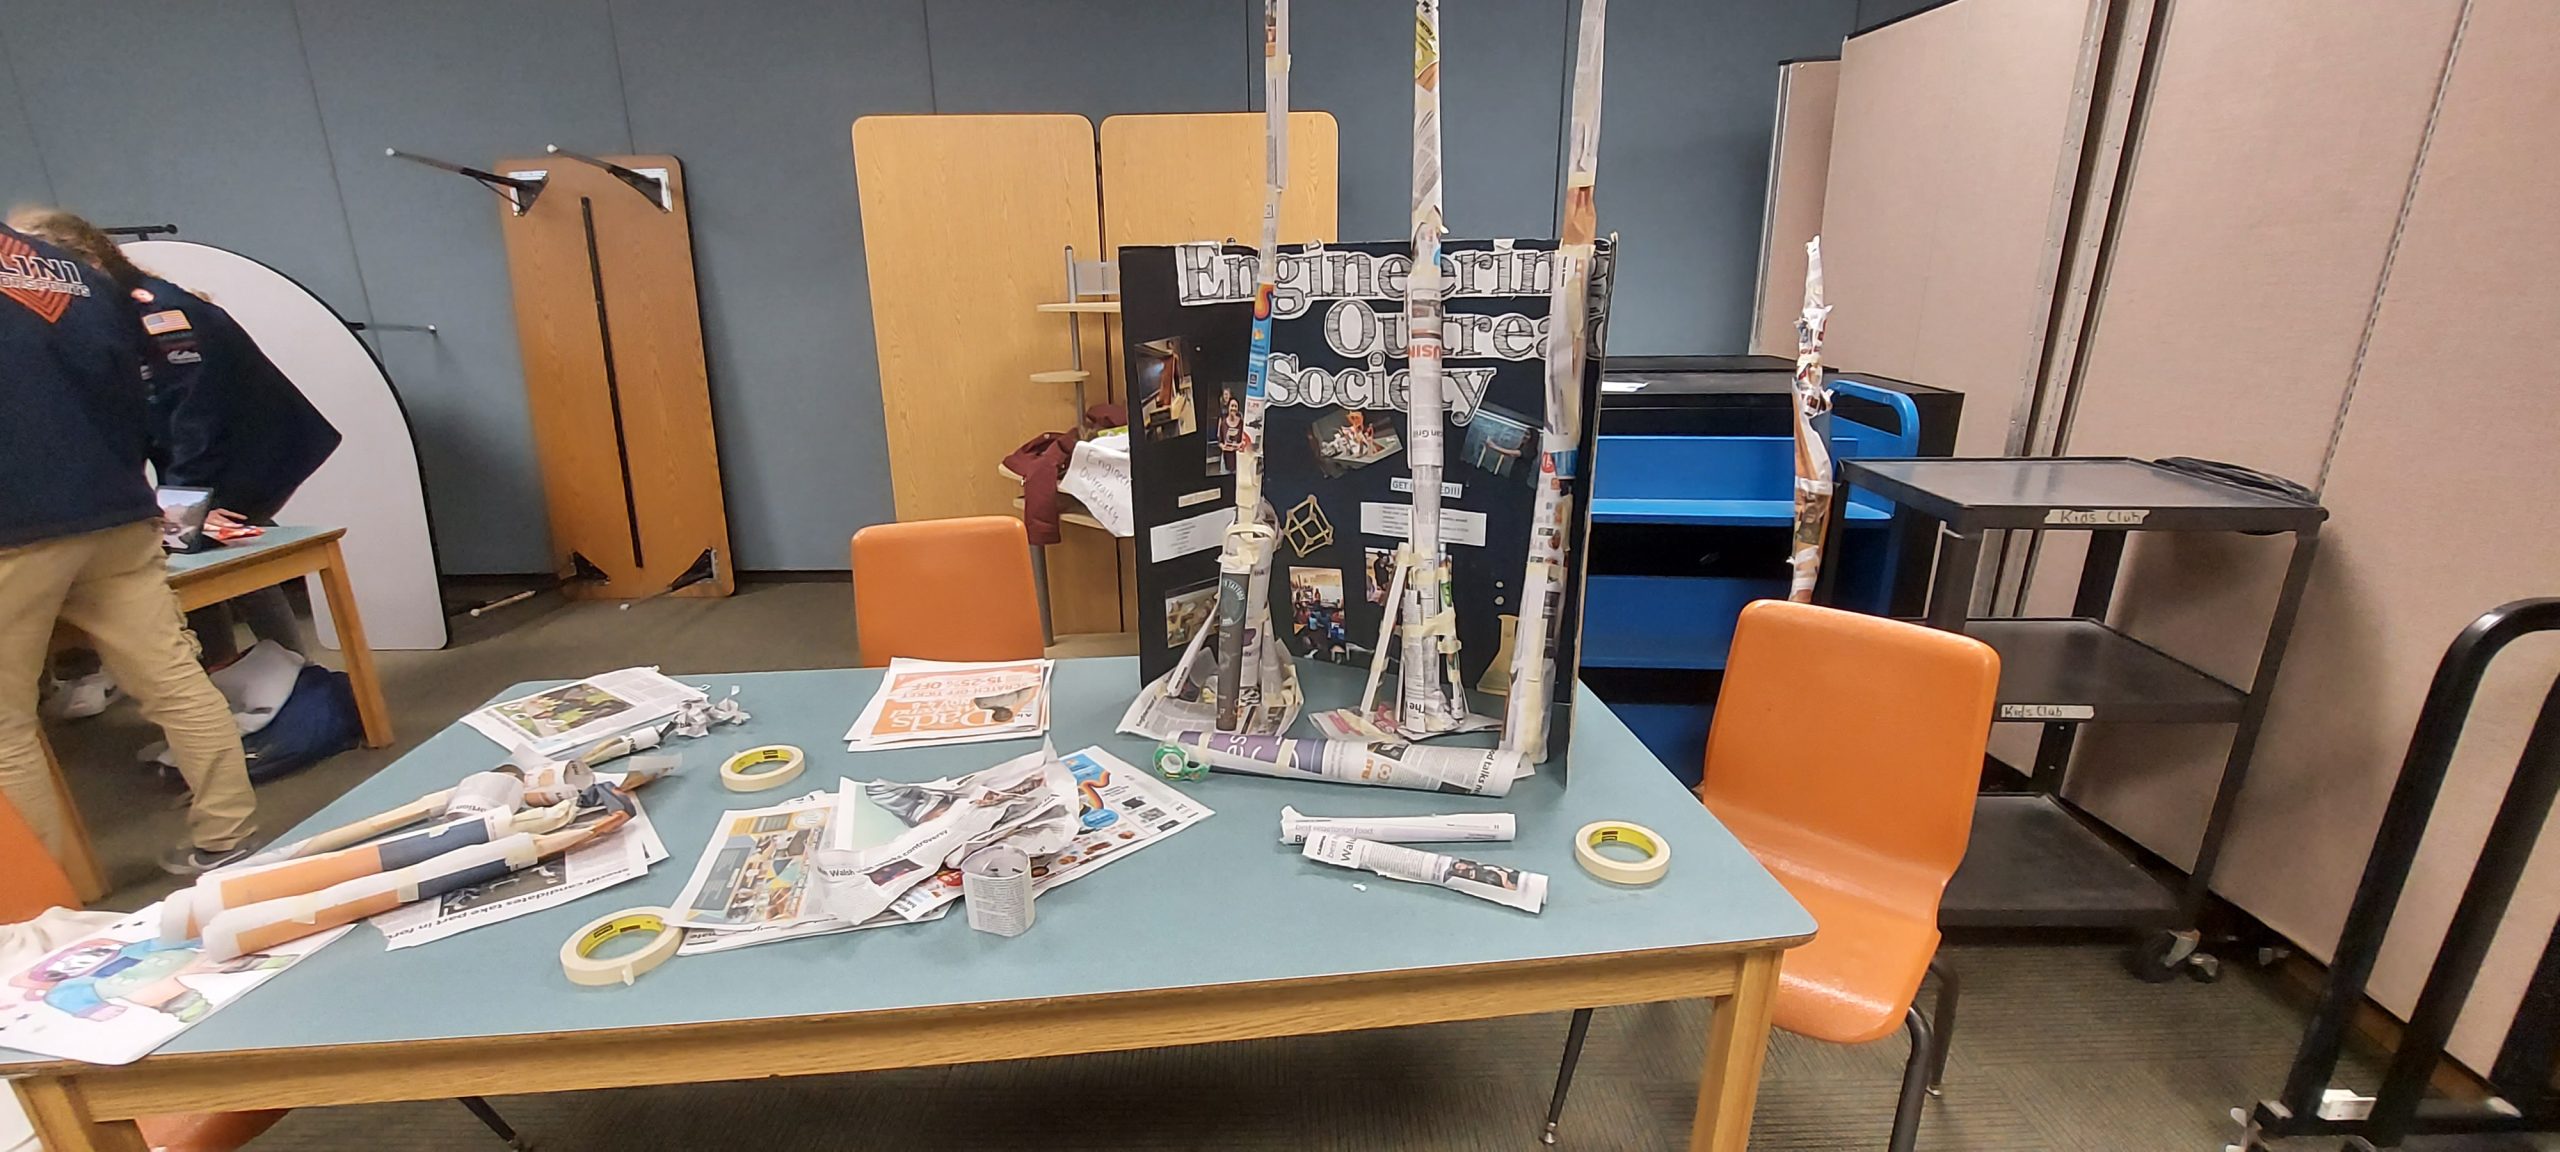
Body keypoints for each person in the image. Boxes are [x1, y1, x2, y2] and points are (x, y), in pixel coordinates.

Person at [0, 220, 261, 874]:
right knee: (173, 680)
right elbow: (145, 394)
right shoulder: (80, 277)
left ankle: (46, 898)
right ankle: (229, 837)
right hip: (117, 510)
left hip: (16, 527)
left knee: (7, 729)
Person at [11, 209, 341, 667]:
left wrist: (184, 505)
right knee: (194, 555)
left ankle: (294, 672)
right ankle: (231, 667)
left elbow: (197, 414)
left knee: (224, 553)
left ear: (87, 263)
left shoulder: (160, 312)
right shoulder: (110, 314)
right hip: (193, 451)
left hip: (248, 449)